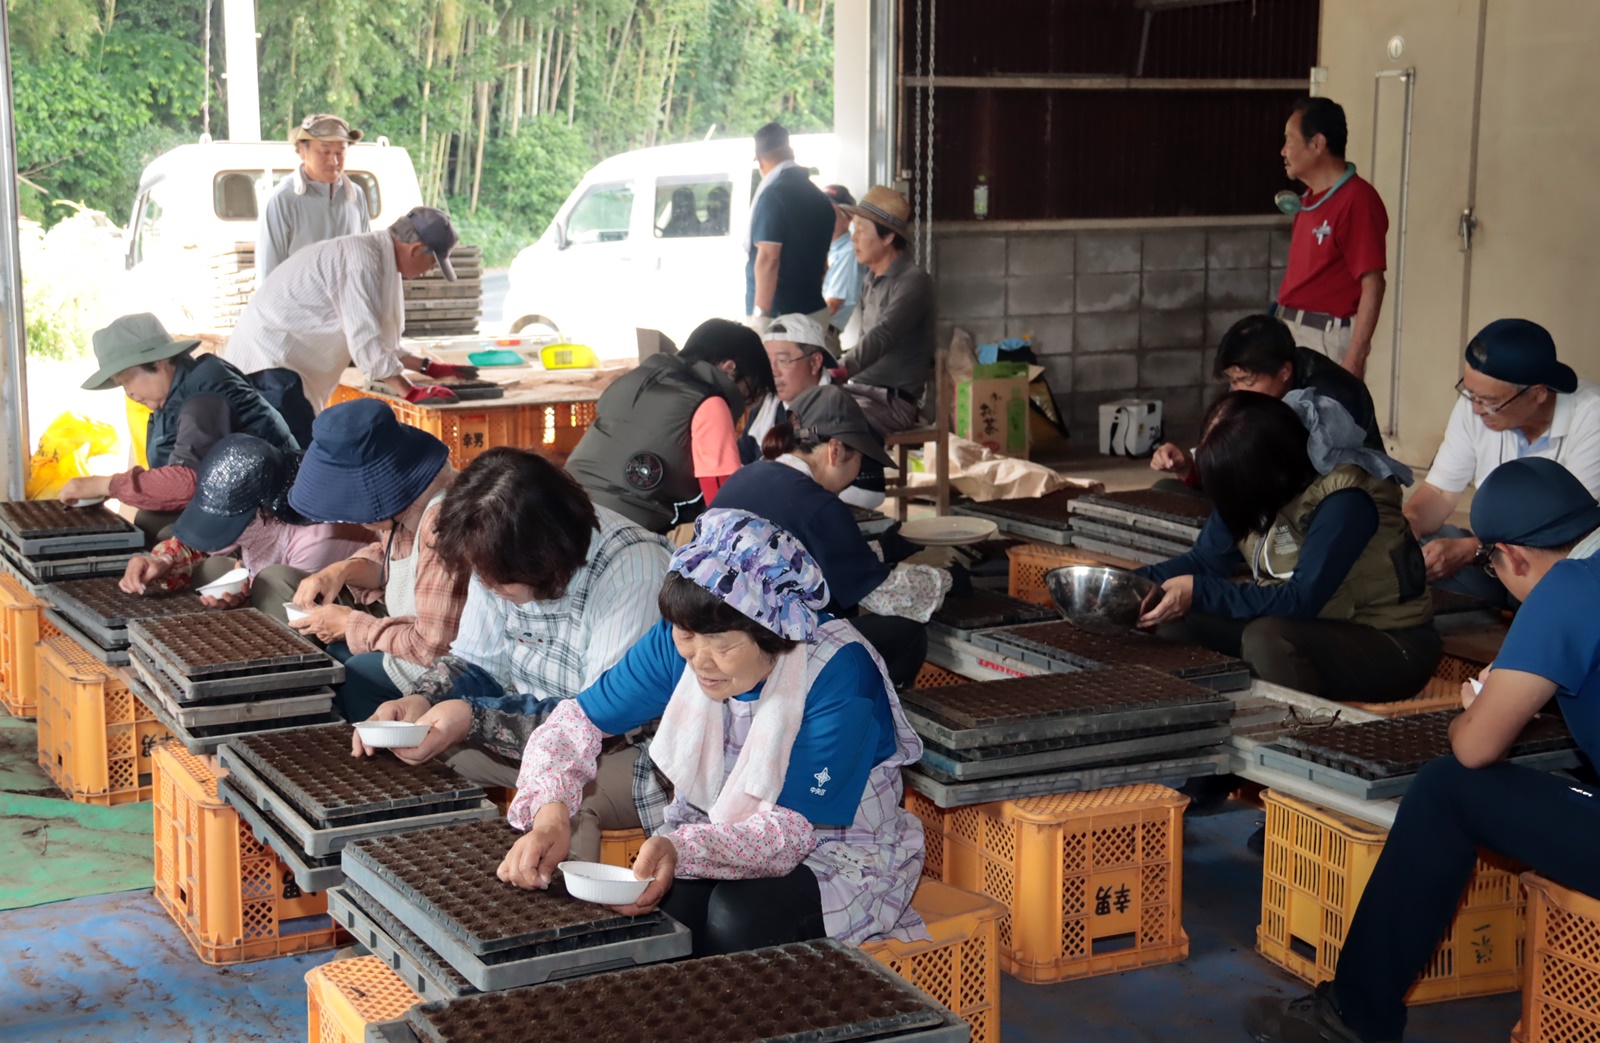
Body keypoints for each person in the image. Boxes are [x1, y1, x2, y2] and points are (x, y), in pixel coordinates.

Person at [1245, 457, 1600, 1043]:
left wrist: (1478, 706)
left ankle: (1351, 1019)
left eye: (1490, 564)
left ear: (1511, 556)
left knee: (1445, 789)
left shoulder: (1566, 589)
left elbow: (1476, 749)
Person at [499, 509, 928, 957]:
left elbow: (792, 833)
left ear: (775, 632)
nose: (700, 661)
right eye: (688, 637)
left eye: (723, 645)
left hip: (833, 850)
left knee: (740, 914)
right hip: (716, 830)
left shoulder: (839, 672)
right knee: (668, 913)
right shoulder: (681, 641)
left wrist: (681, 848)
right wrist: (551, 819)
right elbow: (575, 724)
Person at [349, 448, 673, 860]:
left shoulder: (632, 571)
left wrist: (474, 718)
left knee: (565, 813)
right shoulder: (498, 556)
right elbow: (477, 662)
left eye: (497, 580)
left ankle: (564, 921)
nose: (485, 586)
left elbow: (596, 723)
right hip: (531, 730)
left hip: (627, 746)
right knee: (414, 758)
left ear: (546, 561)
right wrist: (423, 698)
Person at [1137, 391, 1437, 702]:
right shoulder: (1253, 486)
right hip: (1312, 627)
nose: (1228, 499)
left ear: (1267, 472)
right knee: (1169, 614)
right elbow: (1204, 561)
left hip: (1391, 644)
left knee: (1267, 639)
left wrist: (1199, 591)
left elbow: (1301, 600)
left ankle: (1292, 741)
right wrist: (1125, 583)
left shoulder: (1347, 501)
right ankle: (1204, 724)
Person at [716, 385, 946, 688]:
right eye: (860, 458)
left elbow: (805, 559)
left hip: (717, 637)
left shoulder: (746, 476)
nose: (859, 469)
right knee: (905, 633)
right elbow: (886, 597)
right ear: (835, 450)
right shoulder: (818, 504)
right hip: (766, 650)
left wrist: (880, 550)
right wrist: (944, 581)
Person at [275, 399, 469, 722]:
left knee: (356, 675)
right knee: (331, 653)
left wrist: (349, 624)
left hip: (452, 666)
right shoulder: (407, 503)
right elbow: (388, 557)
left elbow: (433, 648)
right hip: (422, 643)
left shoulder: (442, 524)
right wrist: (341, 570)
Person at [224, 207, 473, 448]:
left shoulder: (375, 255)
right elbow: (364, 342)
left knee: (298, 459)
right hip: (269, 366)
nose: (428, 271)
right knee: (296, 464)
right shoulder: (362, 261)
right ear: (417, 249)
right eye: (433, 263)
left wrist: (429, 367)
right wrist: (409, 391)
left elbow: (378, 341)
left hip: (278, 365)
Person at [1405, 318, 1600, 608]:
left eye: (1489, 401)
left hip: (1554, 565)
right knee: (1417, 553)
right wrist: (1409, 522)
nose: (1474, 408)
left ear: (1539, 393)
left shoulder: (1591, 418)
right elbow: (1440, 493)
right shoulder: (1475, 406)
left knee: (1550, 589)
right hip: (1497, 556)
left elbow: (1565, 539)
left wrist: (1472, 550)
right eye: (1469, 393)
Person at [61, 313, 296, 544]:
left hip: (270, 517)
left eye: (128, 380)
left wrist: (107, 484)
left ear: (159, 362)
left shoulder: (204, 396)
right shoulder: (174, 395)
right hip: (232, 507)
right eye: (122, 385)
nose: (129, 393)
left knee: (163, 535)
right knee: (149, 521)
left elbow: (186, 482)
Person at [118, 434, 371, 622]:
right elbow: (204, 542)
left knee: (273, 580)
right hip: (277, 578)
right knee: (217, 568)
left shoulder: (315, 538)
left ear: (264, 509)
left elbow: (295, 606)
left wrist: (246, 601)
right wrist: (163, 560)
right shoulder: (264, 522)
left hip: (343, 612)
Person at [565, 319, 775, 535]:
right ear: (730, 368)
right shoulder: (709, 402)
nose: (747, 402)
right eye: (750, 389)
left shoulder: (636, 379)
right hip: (622, 529)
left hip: (565, 507)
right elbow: (725, 501)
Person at [1150, 314, 1382, 490]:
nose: (1237, 390)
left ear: (1284, 371)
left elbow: (1316, 487)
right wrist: (1187, 466)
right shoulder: (1257, 393)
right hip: (1279, 496)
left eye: (1246, 381)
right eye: (1233, 381)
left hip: (1339, 508)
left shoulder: (1328, 399)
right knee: (1165, 488)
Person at [1275, 96, 1388, 378]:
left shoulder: (1357, 199)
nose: (1283, 151)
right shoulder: (1309, 198)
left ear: (1317, 144)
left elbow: (1373, 283)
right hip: (1290, 331)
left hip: (1325, 339)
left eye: (1289, 140)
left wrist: (1355, 357)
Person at [837, 187, 936, 436]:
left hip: (892, 402)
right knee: (801, 413)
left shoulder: (914, 281)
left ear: (888, 237)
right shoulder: (870, 279)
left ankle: (863, 476)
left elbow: (884, 334)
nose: (853, 238)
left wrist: (841, 368)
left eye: (860, 229)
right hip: (860, 391)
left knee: (831, 426)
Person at [256, 113, 371, 280]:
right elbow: (268, 273)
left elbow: (365, 259)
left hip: (347, 305)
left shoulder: (355, 196)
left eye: (340, 153)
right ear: (302, 151)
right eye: (324, 152)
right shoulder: (282, 200)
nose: (334, 161)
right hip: (299, 305)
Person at [746, 122, 835, 333]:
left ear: (760, 161)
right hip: (814, 308)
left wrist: (761, 317)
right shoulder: (819, 198)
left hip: (780, 318)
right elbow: (823, 264)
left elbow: (769, 259)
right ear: (791, 153)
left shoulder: (772, 195)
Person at [821, 185, 868, 344]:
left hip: (822, 333)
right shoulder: (827, 248)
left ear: (847, 218)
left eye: (830, 212)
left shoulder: (849, 252)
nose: (822, 216)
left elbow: (833, 304)